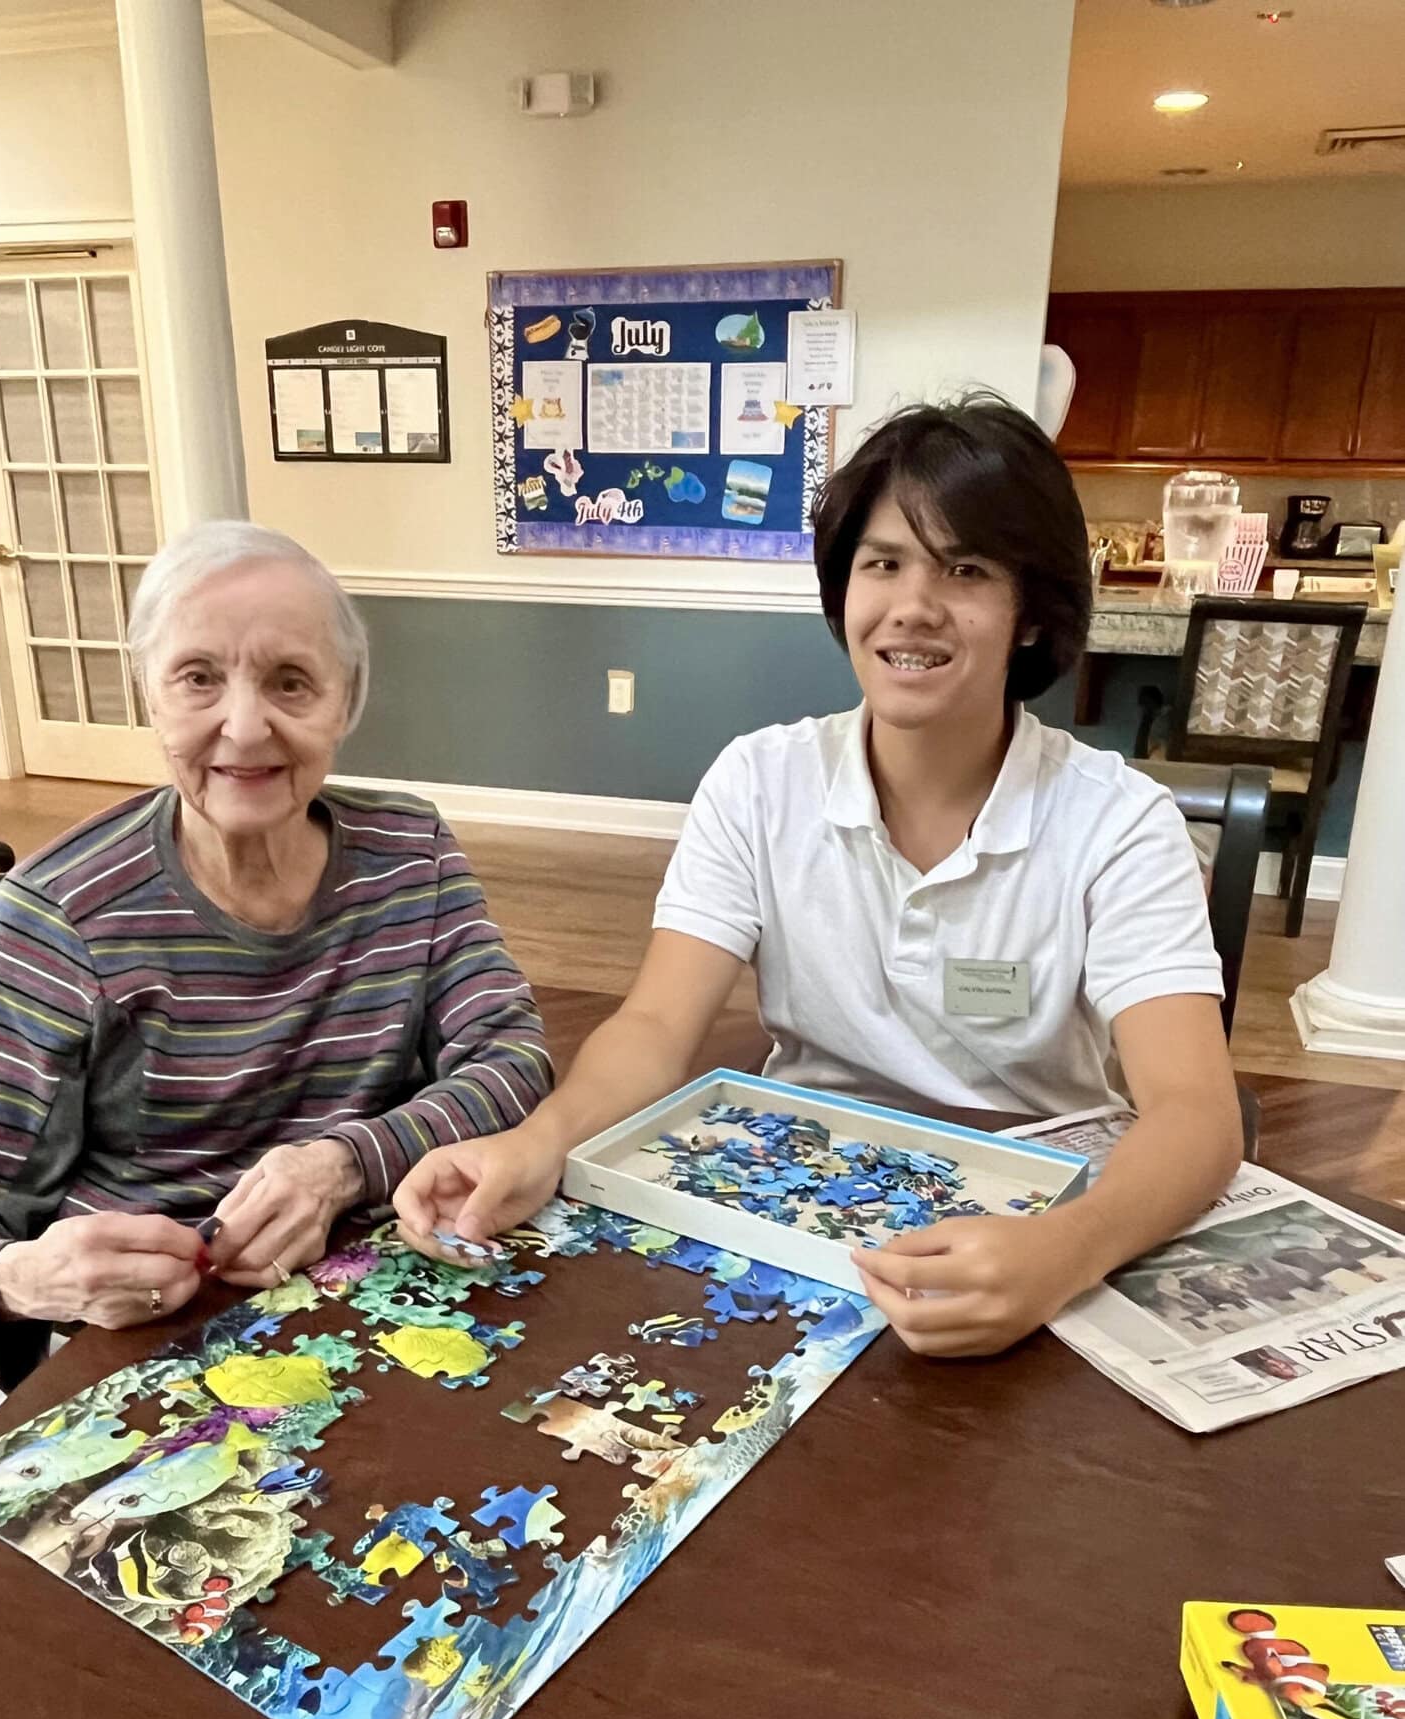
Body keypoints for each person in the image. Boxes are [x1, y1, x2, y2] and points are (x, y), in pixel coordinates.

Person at [394, 393, 1242, 1357]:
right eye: (883, 563)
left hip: (1036, 1214)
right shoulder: (759, 780)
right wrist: (537, 1142)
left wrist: (1065, 1251)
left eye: (965, 569)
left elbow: (1196, 1114)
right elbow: (657, 1026)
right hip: (796, 1192)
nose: (913, 605)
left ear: (1032, 615)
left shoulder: (1119, 821)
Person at [0, 522, 550, 1387]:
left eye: (291, 682)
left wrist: (344, 1165)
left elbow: (513, 1059)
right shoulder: (55, 917)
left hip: (385, 1302)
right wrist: (25, 1280)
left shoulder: (413, 854)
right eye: (198, 678)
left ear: (347, 701)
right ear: (149, 694)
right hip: (150, 1347)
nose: (245, 729)